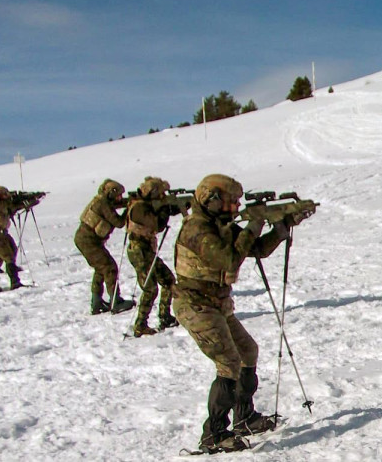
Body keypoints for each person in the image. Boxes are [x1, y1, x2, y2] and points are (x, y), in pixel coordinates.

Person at [174, 173, 290, 453]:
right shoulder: (197, 228)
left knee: (247, 351)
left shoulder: (220, 225)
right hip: (196, 305)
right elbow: (228, 258)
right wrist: (256, 222)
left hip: (217, 304)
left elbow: (257, 249)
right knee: (228, 362)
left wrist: (282, 227)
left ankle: (244, 417)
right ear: (210, 199)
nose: (235, 208)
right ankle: (213, 434)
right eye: (230, 202)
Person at [126, 176, 184, 336]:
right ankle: (140, 325)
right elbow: (157, 225)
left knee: (168, 280)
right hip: (140, 251)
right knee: (150, 289)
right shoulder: (139, 208)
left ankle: (164, 316)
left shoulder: (143, 205)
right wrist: (165, 210)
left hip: (146, 251)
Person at [75, 179, 134, 315]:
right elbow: (119, 222)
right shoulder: (103, 204)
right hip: (88, 241)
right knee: (109, 267)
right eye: (118, 195)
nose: (120, 198)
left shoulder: (101, 201)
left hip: (86, 240)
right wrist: (128, 209)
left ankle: (97, 302)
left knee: (101, 268)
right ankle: (115, 301)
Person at [0, 185, 39, 293]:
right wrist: (21, 203)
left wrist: (27, 202)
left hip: (0, 233)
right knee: (8, 256)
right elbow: (6, 207)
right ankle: (15, 282)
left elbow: (10, 209)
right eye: (4, 194)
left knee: (1, 258)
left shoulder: (1, 204)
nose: (6, 196)